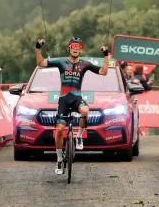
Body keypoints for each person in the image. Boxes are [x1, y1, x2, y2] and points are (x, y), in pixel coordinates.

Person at [35, 37, 109, 175]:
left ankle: (79, 136)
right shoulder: (61, 62)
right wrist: (38, 47)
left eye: (78, 47)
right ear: (68, 48)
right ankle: (58, 159)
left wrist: (106, 56)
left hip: (77, 98)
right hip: (63, 99)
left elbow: (104, 72)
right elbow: (40, 63)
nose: (75, 49)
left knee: (86, 110)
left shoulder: (84, 64)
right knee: (60, 130)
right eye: (73, 47)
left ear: (80, 49)